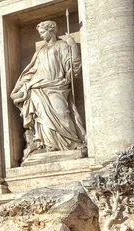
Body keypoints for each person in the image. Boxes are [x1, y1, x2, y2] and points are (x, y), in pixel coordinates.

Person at [11, 20, 86, 161]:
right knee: (42, 118)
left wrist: (73, 47)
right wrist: (19, 88)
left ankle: (70, 143)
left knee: (62, 113)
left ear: (52, 30)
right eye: (40, 33)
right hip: (38, 87)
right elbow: (31, 70)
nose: (41, 36)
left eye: (43, 32)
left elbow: (72, 66)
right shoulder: (40, 50)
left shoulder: (62, 45)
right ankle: (47, 144)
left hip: (57, 86)